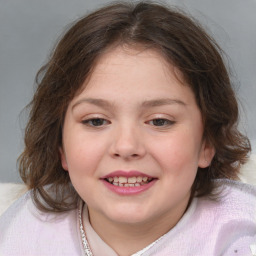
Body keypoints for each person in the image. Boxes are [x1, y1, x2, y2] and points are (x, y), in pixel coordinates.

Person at [0, 1, 255, 255]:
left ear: (207, 141)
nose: (126, 146)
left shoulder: (241, 234)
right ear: (60, 145)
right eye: (96, 121)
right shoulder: (18, 232)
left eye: (159, 121)